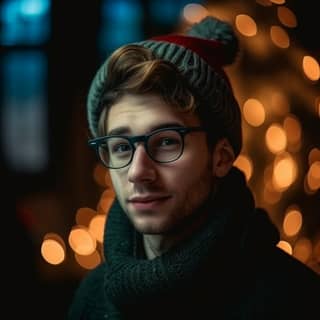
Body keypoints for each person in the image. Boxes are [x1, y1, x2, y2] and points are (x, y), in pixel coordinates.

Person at [68, 15, 320, 319]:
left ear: (221, 157)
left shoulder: (292, 298)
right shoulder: (91, 298)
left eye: (166, 142)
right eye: (121, 147)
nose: (137, 172)